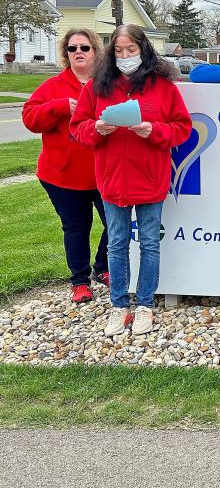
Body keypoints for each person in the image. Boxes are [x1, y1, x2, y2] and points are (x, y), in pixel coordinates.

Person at [70, 25, 192, 337]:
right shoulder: (97, 86)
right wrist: (97, 128)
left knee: (150, 243)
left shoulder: (163, 87)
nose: (125, 56)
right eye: (119, 51)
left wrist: (156, 131)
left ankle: (146, 305)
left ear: (143, 50)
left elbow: (182, 128)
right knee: (117, 244)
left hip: (150, 177)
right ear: (111, 53)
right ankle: (119, 305)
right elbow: (78, 127)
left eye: (131, 50)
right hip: (113, 179)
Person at [21, 29, 109, 303]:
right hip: (62, 175)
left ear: (95, 51)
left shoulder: (107, 84)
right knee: (76, 227)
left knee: (115, 224)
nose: (79, 52)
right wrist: (59, 107)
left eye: (85, 47)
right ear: (66, 54)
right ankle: (80, 281)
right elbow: (30, 118)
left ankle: (103, 267)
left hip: (105, 172)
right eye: (73, 49)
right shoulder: (53, 87)